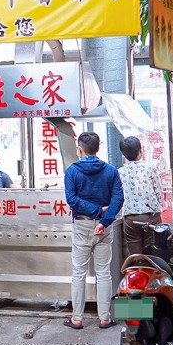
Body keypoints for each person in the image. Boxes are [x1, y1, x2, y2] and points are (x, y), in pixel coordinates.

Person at [64, 131, 123, 330]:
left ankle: (77, 318)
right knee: (103, 272)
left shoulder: (72, 171)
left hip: (81, 224)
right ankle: (105, 318)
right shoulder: (111, 171)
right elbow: (118, 199)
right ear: (98, 148)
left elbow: (72, 200)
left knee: (78, 272)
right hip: (104, 227)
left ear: (80, 149)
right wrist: (103, 220)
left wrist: (94, 211)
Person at [118, 136, 165, 256]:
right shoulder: (150, 169)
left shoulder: (119, 172)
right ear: (140, 150)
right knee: (153, 253)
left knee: (135, 255)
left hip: (130, 219)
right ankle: (152, 273)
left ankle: (139, 272)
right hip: (151, 216)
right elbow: (158, 193)